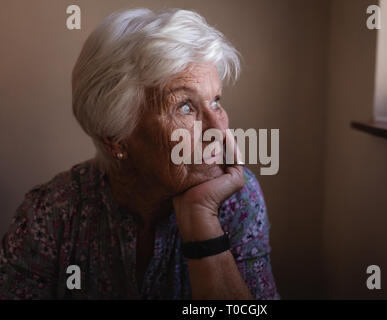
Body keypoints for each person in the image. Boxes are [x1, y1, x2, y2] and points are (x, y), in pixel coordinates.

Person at [0, 8, 279, 299]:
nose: (218, 130)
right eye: (185, 106)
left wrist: (202, 219)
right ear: (116, 139)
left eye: (216, 101)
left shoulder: (236, 200)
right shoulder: (54, 213)